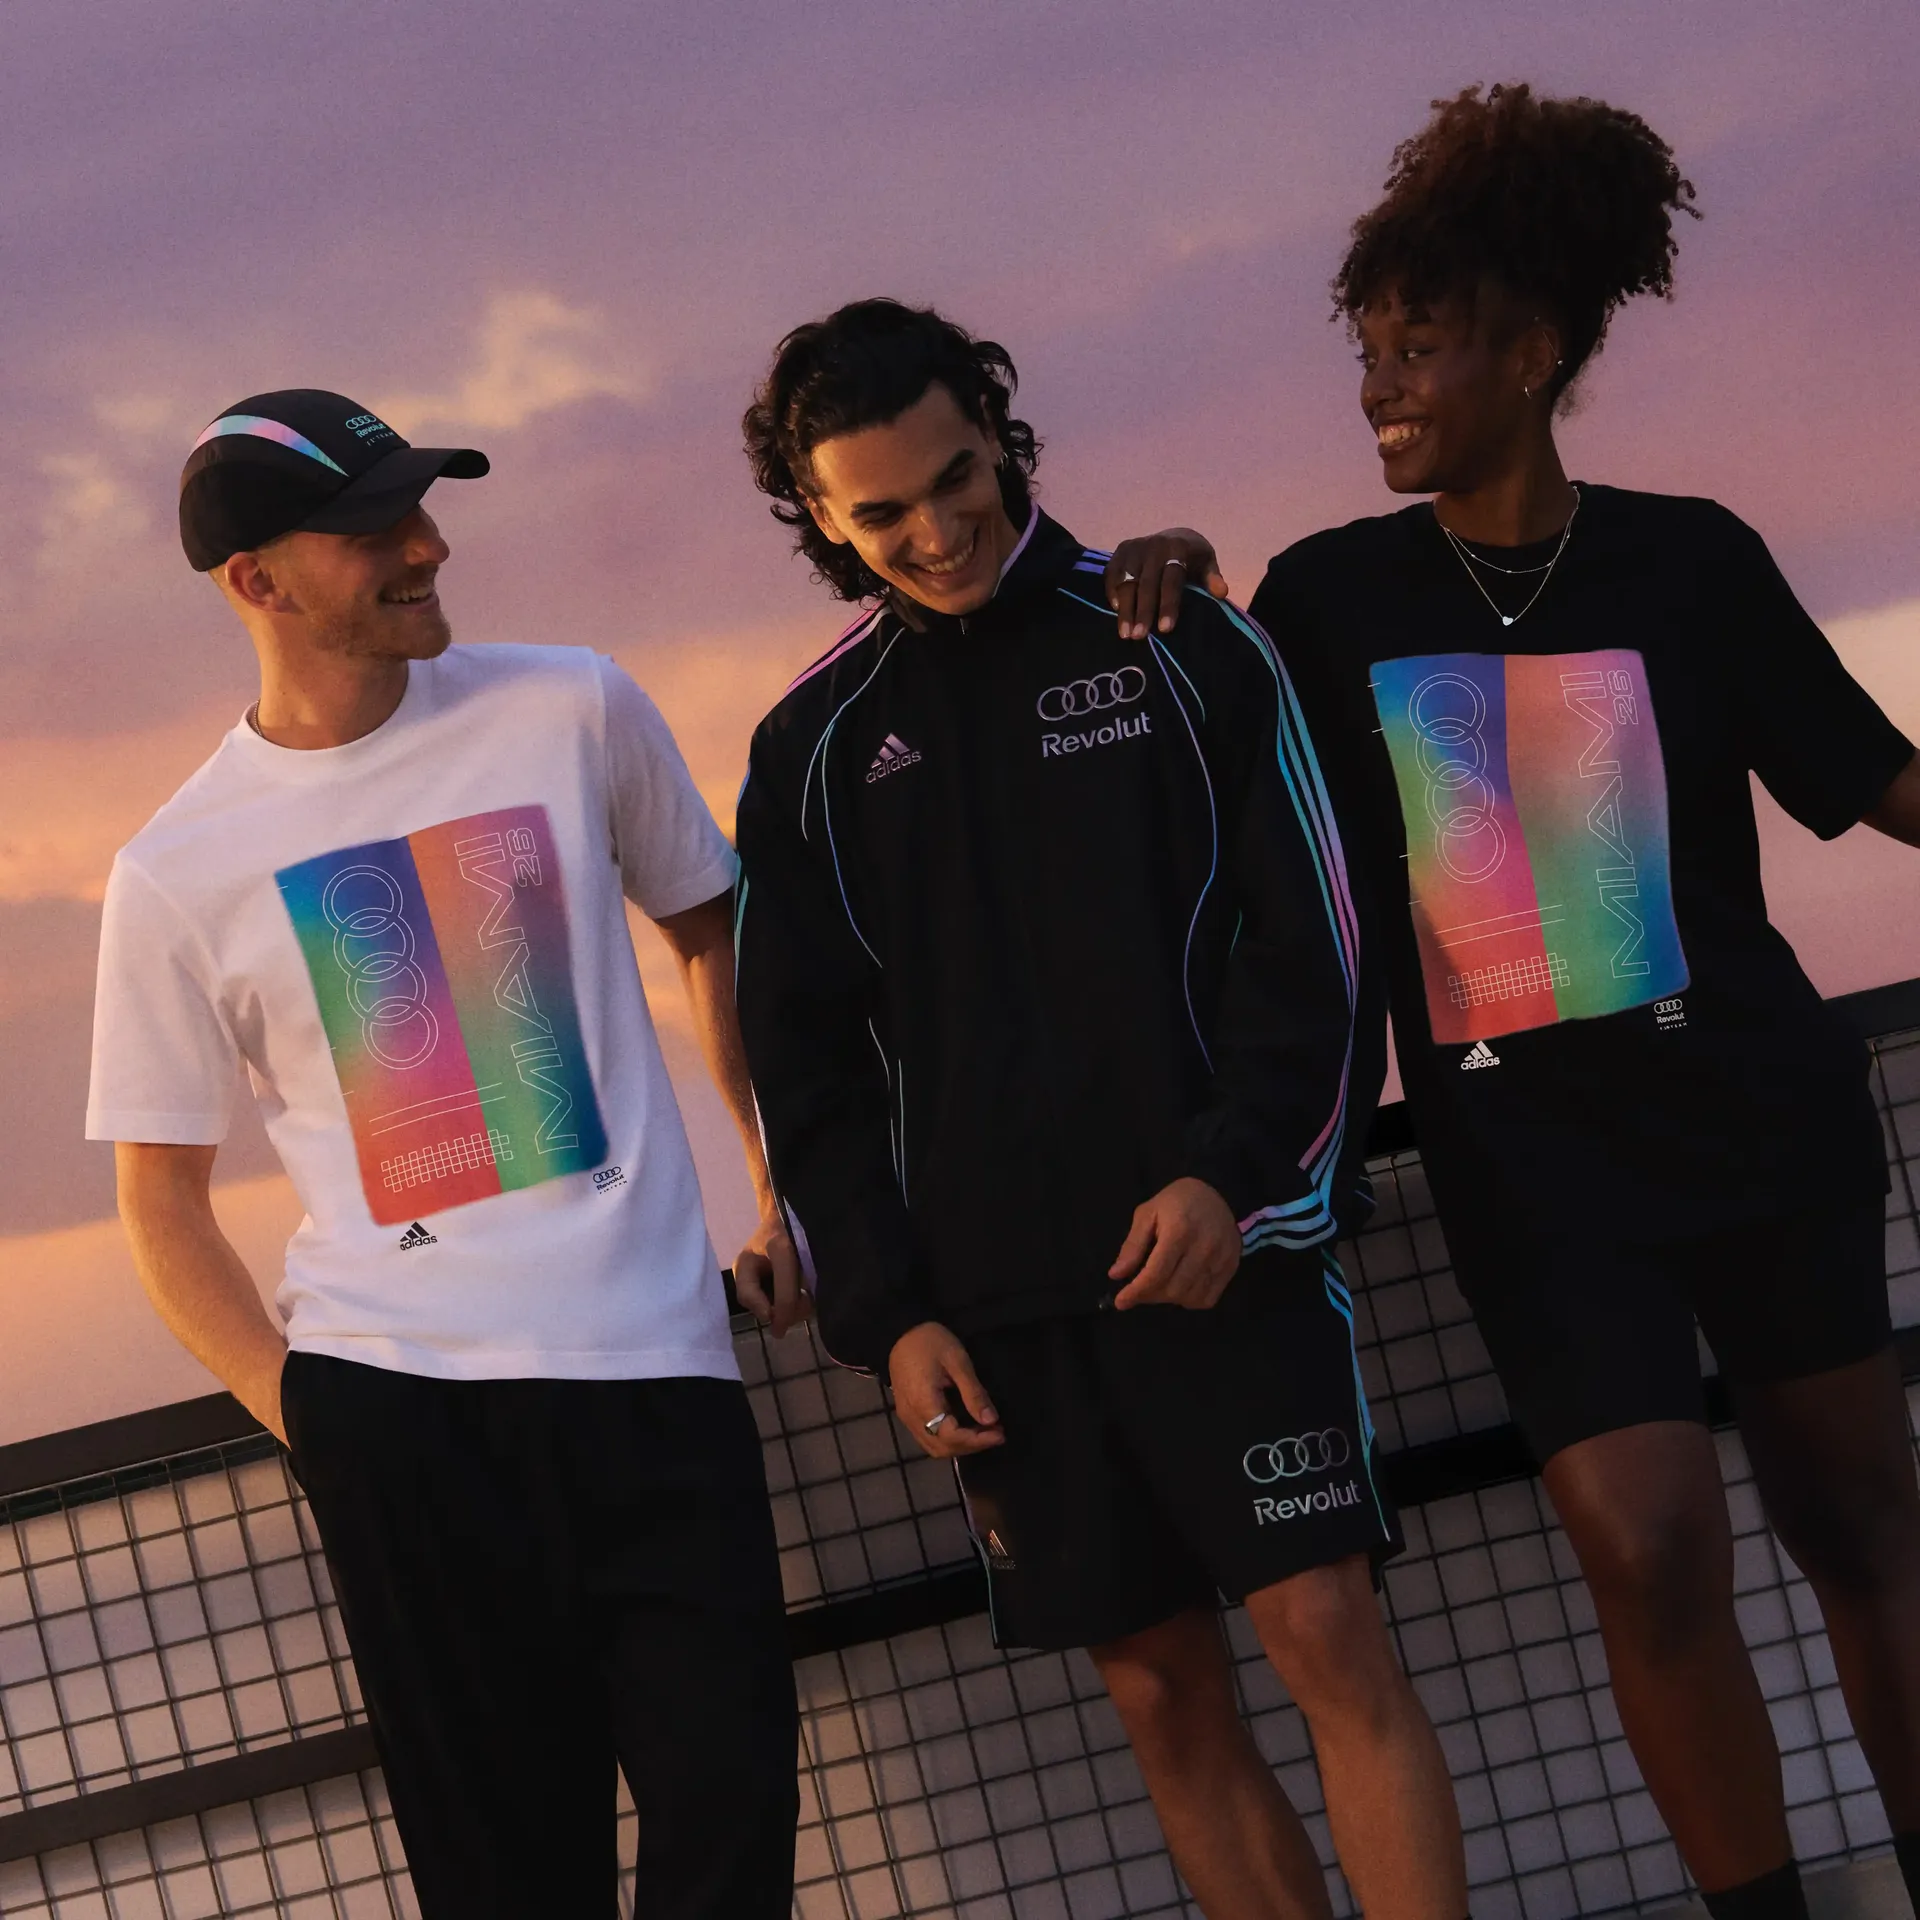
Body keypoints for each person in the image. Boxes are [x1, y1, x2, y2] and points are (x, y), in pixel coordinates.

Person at [1110, 83, 1920, 1920]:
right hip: (1536, 1164)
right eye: (1370, 350)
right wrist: (1140, 571)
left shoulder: (1689, 558)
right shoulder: (1328, 596)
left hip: (1764, 1116)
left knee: (1867, 1527)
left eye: (1423, 347)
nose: (1382, 383)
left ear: (1536, 350)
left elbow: (1876, 781)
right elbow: (1235, 818)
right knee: (1646, 1546)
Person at [732, 298, 1468, 1920]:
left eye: (959, 477)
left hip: (1227, 1259)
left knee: (1328, 1636)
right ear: (823, 523)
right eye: (883, 513)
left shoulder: (1180, 634)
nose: (937, 529)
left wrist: (1235, 1187)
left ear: (1001, 438)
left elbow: (1322, 943)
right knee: (1157, 1696)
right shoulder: (808, 751)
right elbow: (807, 1073)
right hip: (1000, 1320)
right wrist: (891, 1317)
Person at [85, 390, 805, 1918]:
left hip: (659, 1380)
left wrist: (773, 1180)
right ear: (256, 583)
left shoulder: (572, 706)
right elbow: (158, 1197)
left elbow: (705, 927)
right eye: (373, 530)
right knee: (509, 1885)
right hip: (404, 1420)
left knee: (730, 1836)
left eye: (422, 505)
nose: (427, 544)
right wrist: (310, 1415)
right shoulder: (177, 870)